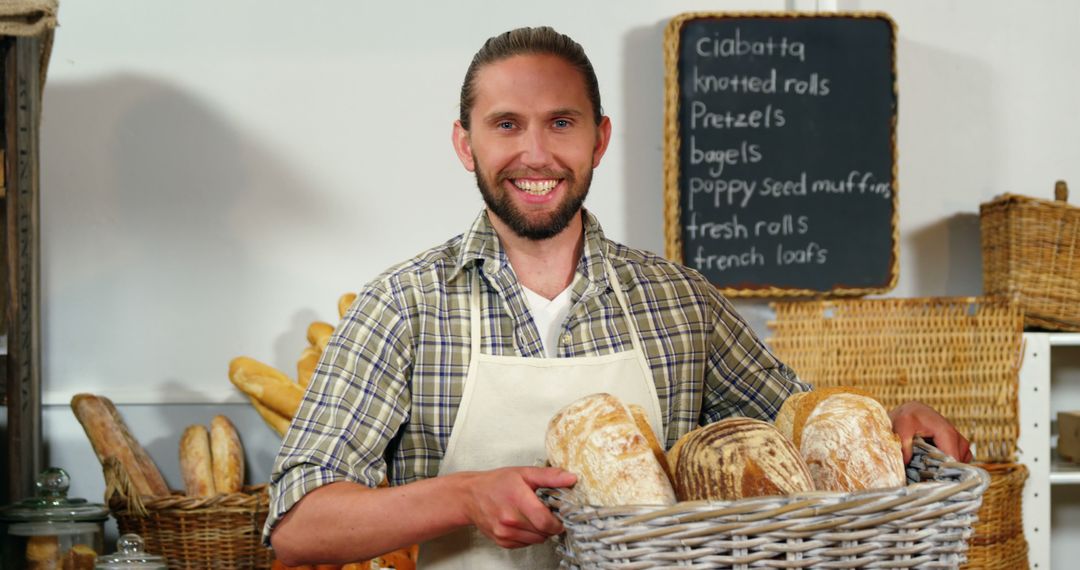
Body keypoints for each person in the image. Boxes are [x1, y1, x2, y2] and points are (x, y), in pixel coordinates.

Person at [266, 26, 972, 568]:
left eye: (562, 123)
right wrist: (463, 497)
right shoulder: (401, 306)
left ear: (600, 139)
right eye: (506, 124)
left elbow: (797, 435)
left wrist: (891, 424)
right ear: (465, 143)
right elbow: (298, 525)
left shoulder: (681, 302)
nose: (535, 154)